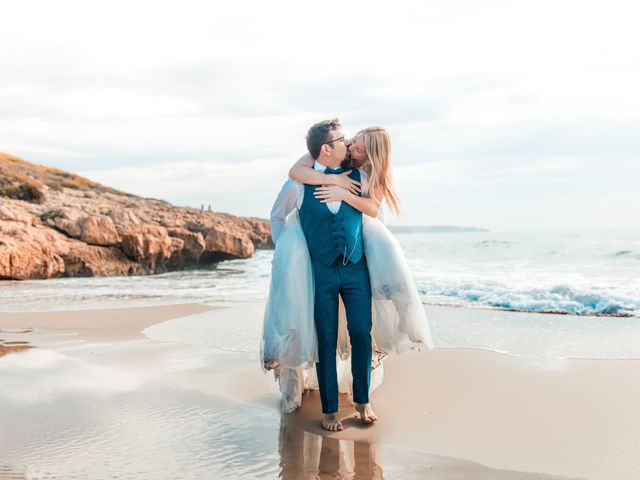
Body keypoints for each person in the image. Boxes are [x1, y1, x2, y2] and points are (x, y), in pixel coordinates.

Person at [262, 118, 433, 432]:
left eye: (355, 143)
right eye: (346, 140)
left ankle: (363, 401)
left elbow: (372, 208)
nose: (350, 144)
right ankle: (329, 411)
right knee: (326, 339)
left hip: (356, 270)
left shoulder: (364, 176)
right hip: (321, 273)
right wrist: (287, 250)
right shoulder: (300, 182)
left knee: (360, 334)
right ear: (328, 149)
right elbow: (277, 214)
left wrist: (344, 192)